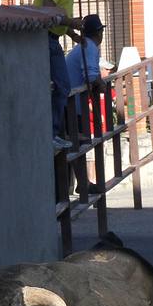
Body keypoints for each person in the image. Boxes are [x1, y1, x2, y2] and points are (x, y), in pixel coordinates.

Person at [34, 0, 87, 149]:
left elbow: (55, 14)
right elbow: (49, 9)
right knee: (62, 85)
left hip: (51, 37)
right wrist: (71, 23)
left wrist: (71, 33)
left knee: (57, 86)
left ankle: (53, 132)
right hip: (46, 38)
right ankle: (52, 133)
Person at [64, 14, 109, 195]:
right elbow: (90, 76)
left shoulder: (85, 46)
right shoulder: (89, 47)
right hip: (73, 104)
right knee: (79, 143)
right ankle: (83, 184)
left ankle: (83, 183)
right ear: (99, 33)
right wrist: (101, 83)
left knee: (78, 144)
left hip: (72, 103)